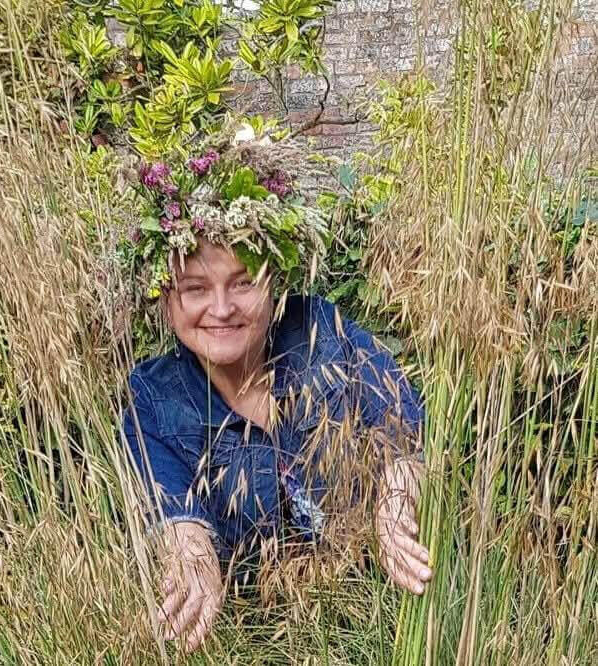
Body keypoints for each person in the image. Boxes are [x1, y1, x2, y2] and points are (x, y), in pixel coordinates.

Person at [122, 126, 433, 655]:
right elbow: (172, 513)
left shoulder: (323, 332)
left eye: (243, 282)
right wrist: (193, 559)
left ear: (274, 282)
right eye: (196, 289)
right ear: (166, 300)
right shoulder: (152, 400)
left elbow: (404, 430)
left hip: (384, 618)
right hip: (255, 641)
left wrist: (397, 503)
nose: (222, 309)